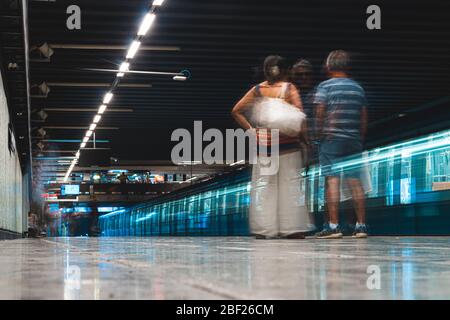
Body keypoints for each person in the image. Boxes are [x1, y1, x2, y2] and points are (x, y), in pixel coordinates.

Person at [232, 55, 314, 239]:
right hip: (288, 147)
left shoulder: (257, 90)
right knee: (290, 187)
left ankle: (263, 230)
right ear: (285, 71)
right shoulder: (289, 88)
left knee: (264, 188)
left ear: (265, 70)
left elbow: (236, 111)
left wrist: (252, 130)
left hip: (265, 148)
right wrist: (306, 142)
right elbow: (300, 118)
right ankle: (292, 229)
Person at [313, 50, 368, 239]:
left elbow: (320, 112)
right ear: (348, 67)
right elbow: (363, 117)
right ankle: (361, 226)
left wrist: (318, 133)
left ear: (329, 67)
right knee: (355, 182)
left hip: (331, 139)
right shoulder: (358, 88)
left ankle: (333, 226)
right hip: (353, 140)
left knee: (332, 181)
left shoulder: (325, 87)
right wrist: (359, 138)